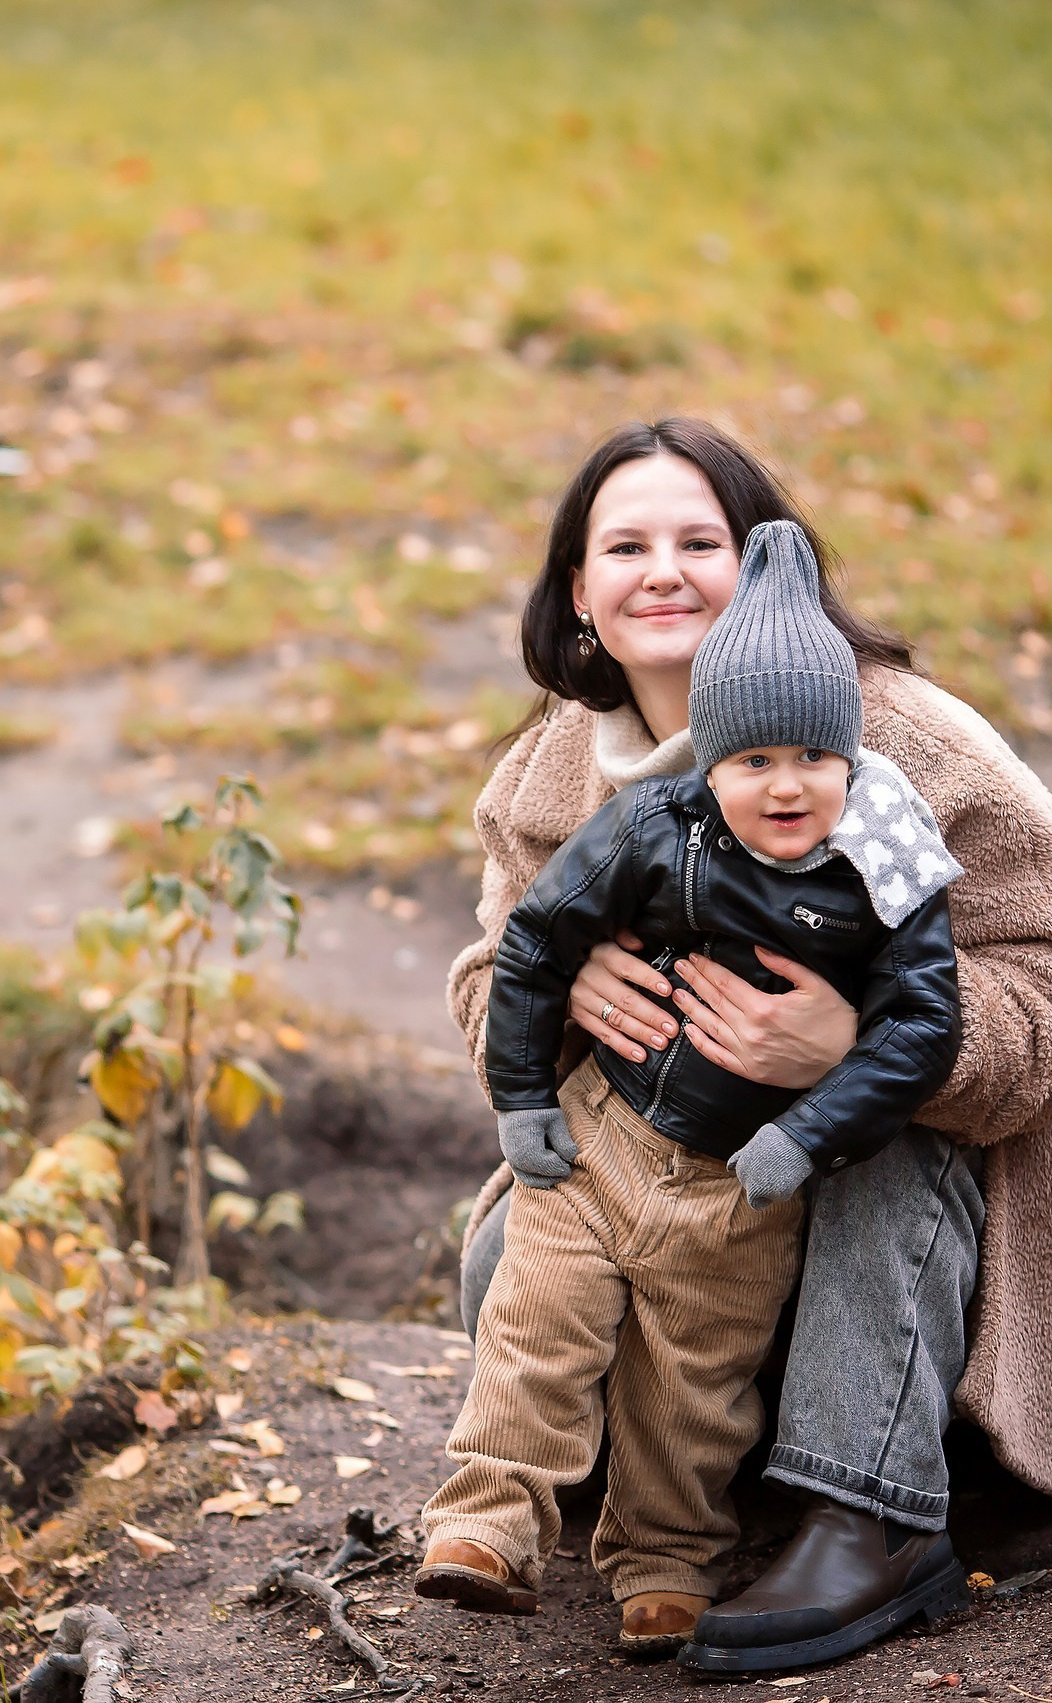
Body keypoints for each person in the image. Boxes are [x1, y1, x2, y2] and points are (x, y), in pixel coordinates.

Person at [442, 418, 1052, 1671]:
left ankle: (871, 1514)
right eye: (623, 545)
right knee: (505, 1272)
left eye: (702, 540)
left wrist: (855, 1043)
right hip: (699, 1155)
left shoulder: (894, 742)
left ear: (766, 570)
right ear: (576, 593)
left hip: (998, 1127)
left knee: (879, 1124)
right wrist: (563, 979)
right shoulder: (549, 779)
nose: (661, 571)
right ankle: (708, 1487)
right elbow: (489, 977)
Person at [414, 517, 969, 1643]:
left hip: (743, 1182)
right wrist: (525, 1093)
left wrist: (815, 1112)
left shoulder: (892, 846)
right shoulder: (647, 824)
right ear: (704, 760)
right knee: (529, 1319)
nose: (784, 786)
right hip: (608, 1133)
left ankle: (670, 1567)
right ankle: (485, 1524)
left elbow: (935, 1017)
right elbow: (521, 947)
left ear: (852, 757)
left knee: (693, 1389)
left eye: (814, 759)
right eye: (752, 761)